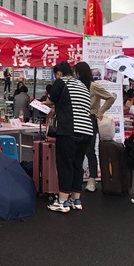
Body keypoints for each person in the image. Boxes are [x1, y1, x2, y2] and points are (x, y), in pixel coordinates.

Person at [45, 61, 93, 213]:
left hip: (69, 129)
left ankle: (62, 201)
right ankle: (75, 200)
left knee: (65, 164)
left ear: (59, 73)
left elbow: (50, 101)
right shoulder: (82, 85)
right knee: (77, 164)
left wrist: (41, 102)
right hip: (86, 130)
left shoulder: (61, 82)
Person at [74, 61, 115, 193]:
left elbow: (110, 98)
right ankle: (79, 178)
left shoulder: (93, 86)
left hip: (91, 119)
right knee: (78, 149)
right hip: (78, 118)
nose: (75, 75)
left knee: (89, 149)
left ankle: (92, 179)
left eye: (76, 72)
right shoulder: (77, 86)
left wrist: (100, 111)